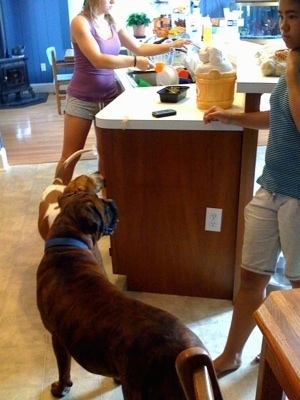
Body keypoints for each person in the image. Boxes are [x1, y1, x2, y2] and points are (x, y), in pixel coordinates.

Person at [203, 0, 300, 376]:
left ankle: (286, 351)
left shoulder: (295, 65)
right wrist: (231, 117)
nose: (283, 25)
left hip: (297, 197)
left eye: (293, 16)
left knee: (296, 288)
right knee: (251, 277)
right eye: (281, 16)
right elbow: (281, 117)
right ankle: (232, 354)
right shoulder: (294, 62)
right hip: (272, 186)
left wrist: (292, 71)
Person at [55, 0, 191, 184]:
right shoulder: (80, 22)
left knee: (109, 154)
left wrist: (170, 45)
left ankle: (108, 198)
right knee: (70, 157)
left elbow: (139, 47)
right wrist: (134, 62)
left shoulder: (111, 21)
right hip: (82, 99)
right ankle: (55, 200)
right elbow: (98, 60)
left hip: (110, 97)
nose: (113, 1)